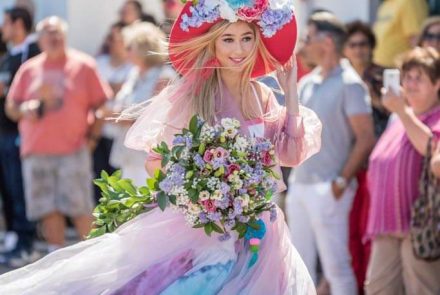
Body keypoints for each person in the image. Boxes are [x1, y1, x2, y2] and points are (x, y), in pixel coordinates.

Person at [0, 1, 322, 293]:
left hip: (259, 229)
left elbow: (290, 154)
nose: (238, 49)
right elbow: (157, 161)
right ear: (213, 44)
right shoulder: (196, 94)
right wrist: (206, 192)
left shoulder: (262, 95)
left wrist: (290, 90)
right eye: (228, 39)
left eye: (246, 38)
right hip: (206, 232)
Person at [4, 16, 112, 255]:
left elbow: (102, 106)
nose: (54, 38)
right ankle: (56, 257)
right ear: (39, 39)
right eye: (48, 34)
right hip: (36, 151)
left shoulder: (84, 65)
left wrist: (92, 139)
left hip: (73, 150)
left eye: (58, 33)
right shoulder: (29, 68)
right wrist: (24, 109)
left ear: (65, 36)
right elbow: (11, 107)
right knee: (46, 208)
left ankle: (92, 258)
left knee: (80, 207)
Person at [286, 12, 376, 295]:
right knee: (298, 268)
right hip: (300, 185)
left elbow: (365, 138)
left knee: (337, 269)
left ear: (326, 41)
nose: (303, 45)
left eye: (308, 38)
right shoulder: (307, 82)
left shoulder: (350, 83)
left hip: (330, 188)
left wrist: (340, 181)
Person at [365, 47, 440, 294]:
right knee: (377, 288)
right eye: (407, 77)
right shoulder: (397, 119)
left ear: (437, 83)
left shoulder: (434, 117)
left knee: (422, 289)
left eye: (419, 77)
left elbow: (431, 150)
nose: (411, 83)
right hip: (386, 223)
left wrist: (402, 111)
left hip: (421, 225)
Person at [343, 20, 388, 294]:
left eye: (363, 44)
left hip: (376, 169)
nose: (359, 50)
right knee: (351, 236)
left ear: (371, 47)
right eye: (353, 45)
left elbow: (397, 111)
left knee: (370, 233)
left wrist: (373, 98)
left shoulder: (383, 77)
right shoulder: (341, 78)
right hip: (349, 167)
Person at [109, 22, 174, 186]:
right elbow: (120, 105)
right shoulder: (133, 73)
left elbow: (159, 115)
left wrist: (122, 117)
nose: (126, 50)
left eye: (130, 46)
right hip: (128, 151)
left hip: (149, 155)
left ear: (142, 48)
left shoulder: (164, 76)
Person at [0, 6, 39, 267]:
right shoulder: (6, 58)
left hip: (21, 134)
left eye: (6, 22)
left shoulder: (32, 53)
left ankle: (27, 241)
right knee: (8, 188)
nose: (2, 28)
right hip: (3, 132)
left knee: (20, 188)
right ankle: (14, 236)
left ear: (18, 25)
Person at [93, 21, 133, 201]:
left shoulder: (134, 67)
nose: (115, 43)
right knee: (99, 182)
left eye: (120, 39)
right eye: (112, 38)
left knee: (122, 185)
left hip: (123, 137)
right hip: (99, 133)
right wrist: (111, 88)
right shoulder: (98, 63)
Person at [373, 0, 428, 68]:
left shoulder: (411, 2)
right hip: (379, 67)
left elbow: (416, 39)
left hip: (400, 69)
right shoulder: (385, 4)